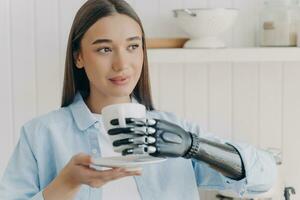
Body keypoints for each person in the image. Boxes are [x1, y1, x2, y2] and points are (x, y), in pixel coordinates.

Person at [0, 0, 277, 199]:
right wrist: (66, 184)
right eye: (105, 49)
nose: (122, 64)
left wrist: (193, 146)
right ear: (79, 57)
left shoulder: (172, 131)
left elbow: (264, 176)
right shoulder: (41, 135)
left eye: (133, 46)